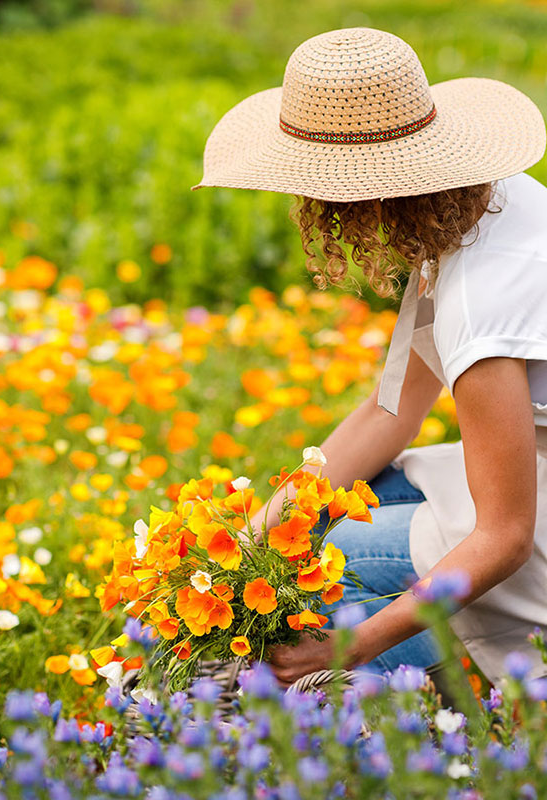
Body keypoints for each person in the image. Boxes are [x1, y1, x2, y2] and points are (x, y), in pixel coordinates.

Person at [192, 26, 547, 686]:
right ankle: (409, 662)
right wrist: (251, 544)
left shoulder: (483, 301)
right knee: (328, 514)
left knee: (334, 554)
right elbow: (390, 414)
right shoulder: (480, 200)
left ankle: (388, 683)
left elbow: (505, 537)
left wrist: (344, 648)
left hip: (533, 523)